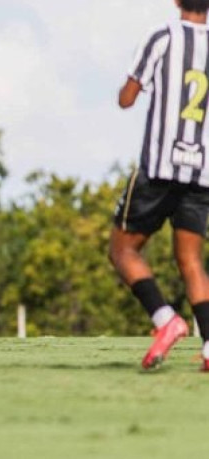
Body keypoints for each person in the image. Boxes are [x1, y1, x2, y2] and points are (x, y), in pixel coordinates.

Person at [109, 0, 209, 371]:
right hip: (201, 170)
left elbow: (126, 98)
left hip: (160, 167)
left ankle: (166, 319)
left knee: (122, 250)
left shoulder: (162, 38)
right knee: (191, 261)